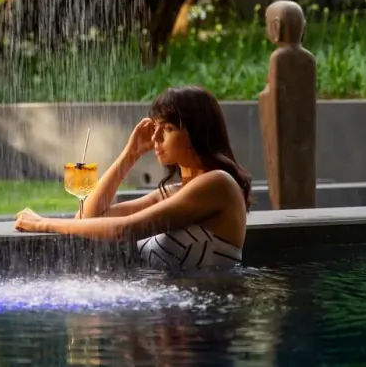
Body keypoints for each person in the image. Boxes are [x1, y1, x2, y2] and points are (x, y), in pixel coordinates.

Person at [15, 85, 251, 269]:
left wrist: (42, 223)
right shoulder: (172, 193)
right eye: (156, 126)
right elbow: (87, 216)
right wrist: (130, 154)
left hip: (209, 325)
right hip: (172, 321)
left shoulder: (217, 183)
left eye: (167, 128)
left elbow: (124, 231)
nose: (156, 136)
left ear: (196, 134)